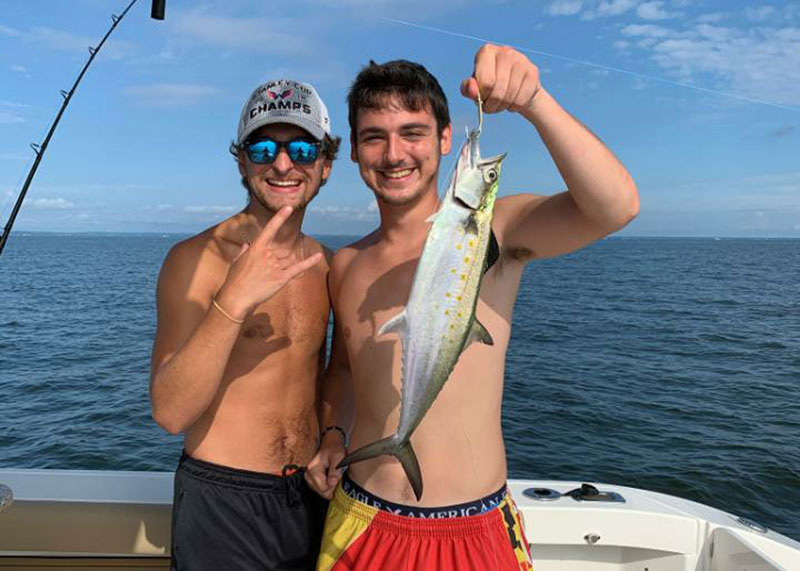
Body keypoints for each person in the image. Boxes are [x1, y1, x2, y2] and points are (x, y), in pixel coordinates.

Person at [305, 45, 639, 571]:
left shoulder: (494, 231)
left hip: (476, 528)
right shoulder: (345, 264)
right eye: (375, 137)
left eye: (412, 133)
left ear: (444, 140)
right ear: (354, 151)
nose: (394, 154)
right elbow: (345, 366)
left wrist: (534, 102)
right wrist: (330, 434)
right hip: (360, 518)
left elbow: (615, 206)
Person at [150, 78, 341, 571]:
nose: (282, 165)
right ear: (241, 160)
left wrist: (335, 437)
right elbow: (170, 412)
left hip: (311, 497)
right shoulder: (195, 260)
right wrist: (232, 300)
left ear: (325, 164)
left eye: (301, 148)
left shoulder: (326, 264)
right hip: (222, 502)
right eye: (262, 148)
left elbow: (330, 377)